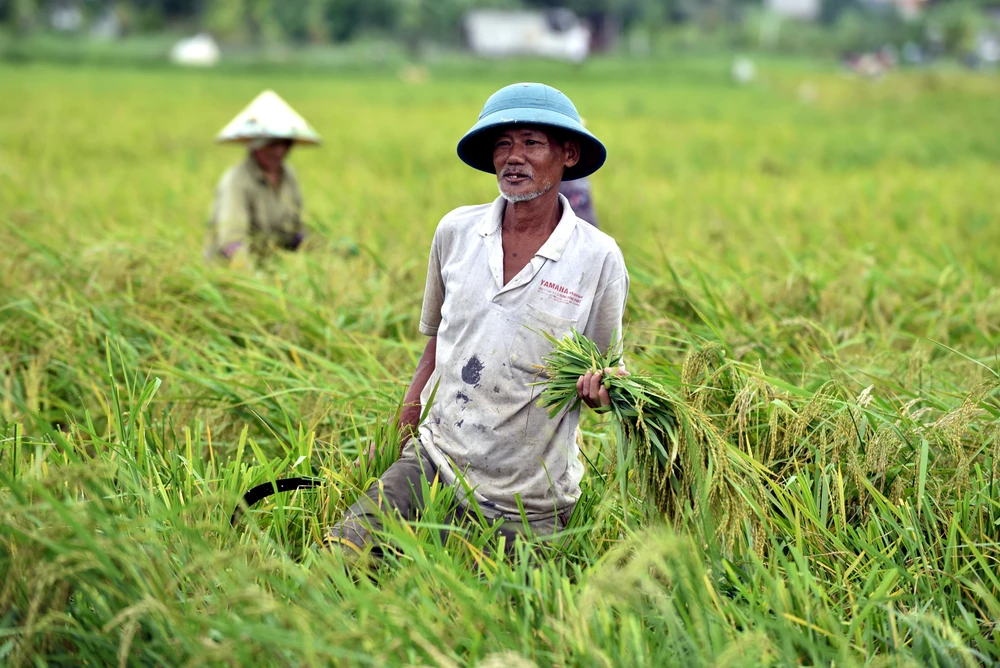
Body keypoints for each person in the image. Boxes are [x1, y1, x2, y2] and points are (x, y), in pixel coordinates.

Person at [326, 82, 629, 557]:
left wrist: (604, 388)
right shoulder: (456, 233)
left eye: (531, 143)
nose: (514, 158)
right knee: (345, 555)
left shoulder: (598, 258)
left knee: (495, 617)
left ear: (568, 154)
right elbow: (439, 346)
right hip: (433, 459)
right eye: (503, 144)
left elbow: (610, 369)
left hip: (527, 496)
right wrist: (400, 430)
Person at [203, 90, 322, 267]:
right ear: (256, 145)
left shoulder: (289, 175)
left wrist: (319, 247)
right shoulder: (236, 181)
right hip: (232, 270)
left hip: (270, 266)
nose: (279, 151)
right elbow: (231, 241)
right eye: (272, 145)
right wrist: (250, 277)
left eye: (286, 143)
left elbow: (296, 231)